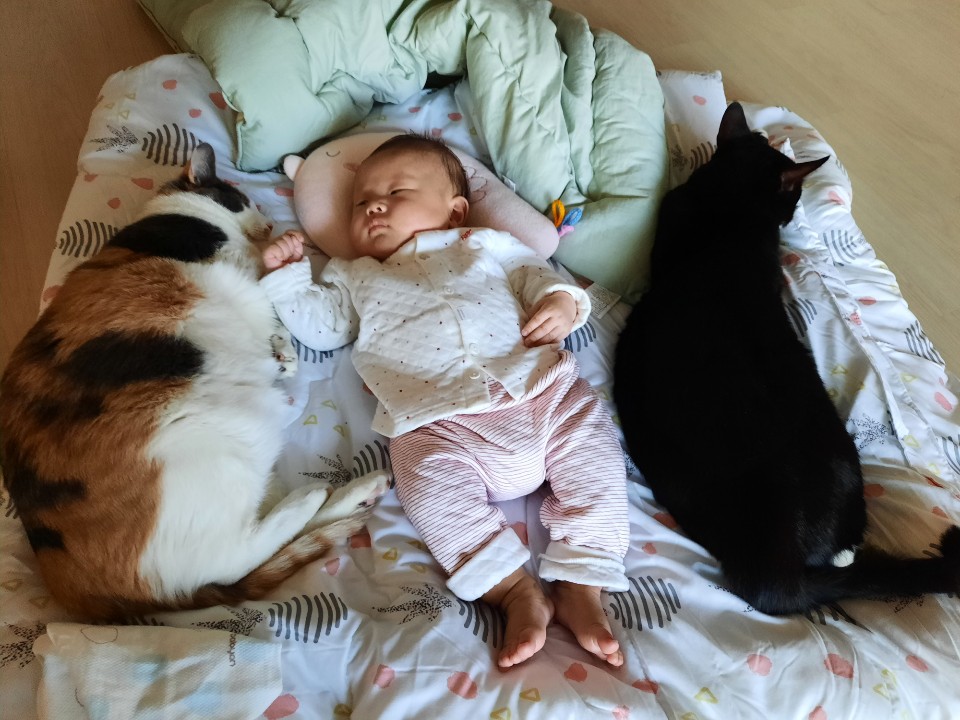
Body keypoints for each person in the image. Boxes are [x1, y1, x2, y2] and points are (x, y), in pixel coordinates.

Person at [260, 134, 630, 668]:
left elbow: (536, 275)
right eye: (361, 202)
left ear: (455, 210)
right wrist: (288, 278)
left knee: (591, 441)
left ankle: (581, 583)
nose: (374, 207)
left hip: (539, 393)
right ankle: (511, 590)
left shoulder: (485, 244)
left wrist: (562, 303)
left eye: (396, 192)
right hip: (439, 425)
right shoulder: (355, 275)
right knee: (423, 479)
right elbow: (322, 328)